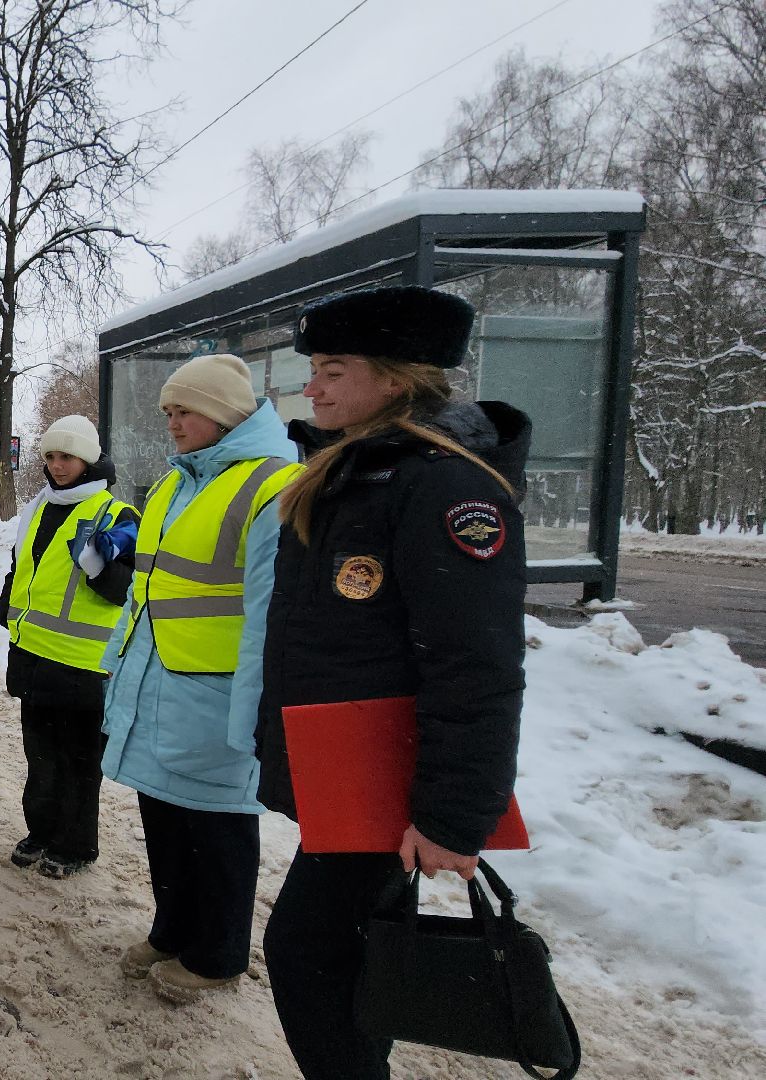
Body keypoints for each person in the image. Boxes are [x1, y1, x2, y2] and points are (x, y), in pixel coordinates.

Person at [256, 285, 529, 1079]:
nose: (312, 387)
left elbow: (474, 662)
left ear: (397, 377)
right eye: (314, 368)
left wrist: (454, 816)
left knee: (305, 952)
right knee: (346, 957)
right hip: (352, 771)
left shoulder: (445, 485)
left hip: (387, 776)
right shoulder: (362, 469)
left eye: (333, 370)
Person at [97, 354, 301, 1004]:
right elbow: (144, 594)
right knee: (164, 820)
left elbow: (270, 617)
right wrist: (115, 666)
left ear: (223, 414)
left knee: (218, 829)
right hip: (158, 687)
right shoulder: (173, 484)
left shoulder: (274, 486)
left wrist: (255, 718)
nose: (173, 423)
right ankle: (172, 930)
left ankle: (218, 954)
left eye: (184, 411)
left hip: (219, 699)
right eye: (168, 411)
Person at [0, 415, 140, 879]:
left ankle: (76, 845)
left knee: (78, 760)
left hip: (83, 661)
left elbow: (128, 591)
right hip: (34, 652)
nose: (58, 466)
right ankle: (41, 831)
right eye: (52, 457)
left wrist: (99, 567)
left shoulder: (115, 514)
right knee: (39, 755)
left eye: (68, 457)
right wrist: (7, 601)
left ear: (89, 460)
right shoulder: (38, 507)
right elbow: (24, 565)